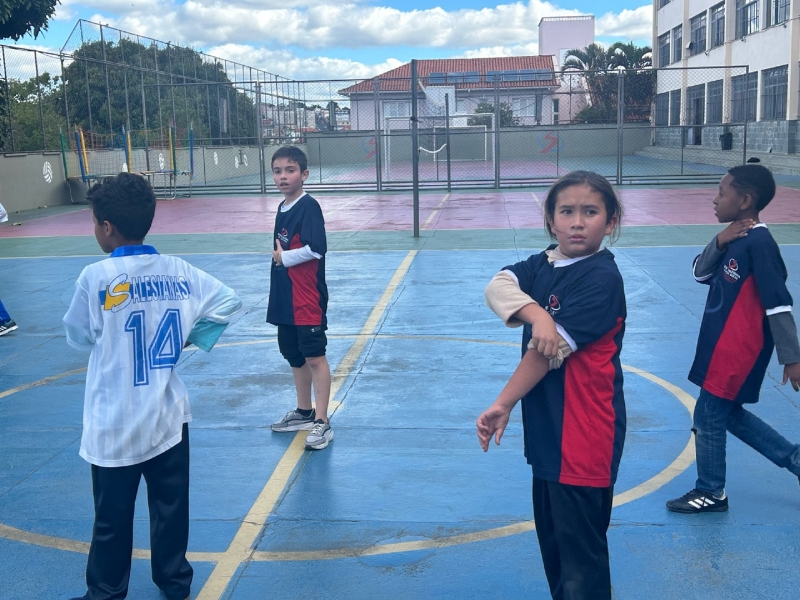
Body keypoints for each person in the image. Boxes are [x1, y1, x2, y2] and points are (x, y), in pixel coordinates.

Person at [63, 172, 242, 600]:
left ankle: (106, 591)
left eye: (94, 222)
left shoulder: (96, 277)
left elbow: (78, 335)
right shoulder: (179, 271)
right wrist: (186, 338)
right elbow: (229, 301)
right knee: (170, 507)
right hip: (167, 415)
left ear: (107, 227)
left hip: (115, 421)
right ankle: (175, 582)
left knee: (112, 516)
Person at [477, 171, 626, 600]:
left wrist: (503, 403)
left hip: (582, 438)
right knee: (557, 555)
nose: (577, 222)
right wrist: (538, 314)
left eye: (590, 212)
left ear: (610, 222)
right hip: (550, 435)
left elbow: (546, 353)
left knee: (581, 566)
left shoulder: (600, 279)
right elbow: (499, 284)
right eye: (567, 211)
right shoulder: (545, 263)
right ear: (550, 220)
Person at [666, 164, 800, 514]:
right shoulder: (735, 237)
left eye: (722, 193)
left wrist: (792, 356)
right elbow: (700, 273)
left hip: (738, 351)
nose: (715, 199)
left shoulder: (761, 244)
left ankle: (711, 491)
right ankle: (795, 460)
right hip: (718, 347)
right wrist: (719, 240)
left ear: (745, 200)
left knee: (708, 415)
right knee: (726, 414)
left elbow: (778, 303)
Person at [267, 146, 333, 450]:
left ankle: (322, 421)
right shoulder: (283, 207)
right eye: (277, 171)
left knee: (314, 356)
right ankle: (304, 411)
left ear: (304, 174)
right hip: (286, 298)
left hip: (306, 298)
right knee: (293, 354)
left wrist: (285, 258)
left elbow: (316, 248)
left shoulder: (309, 207)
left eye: (290, 170)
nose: (283, 176)